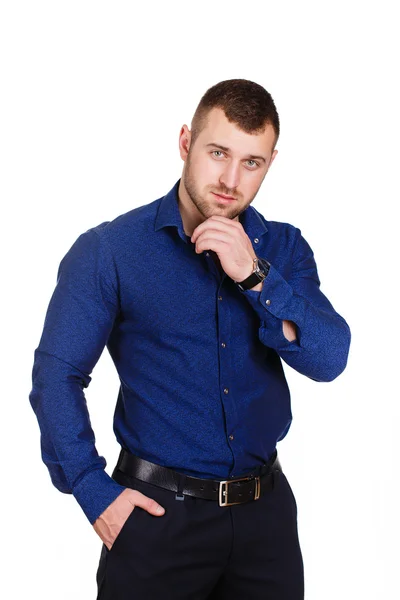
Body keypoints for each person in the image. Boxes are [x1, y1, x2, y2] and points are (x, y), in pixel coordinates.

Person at [29, 78, 351, 599]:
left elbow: (331, 356)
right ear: (185, 143)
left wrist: (257, 278)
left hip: (265, 521)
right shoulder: (110, 251)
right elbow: (55, 377)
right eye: (217, 152)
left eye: (252, 162)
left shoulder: (283, 249)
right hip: (156, 521)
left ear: (270, 163)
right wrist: (93, 491)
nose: (229, 179)